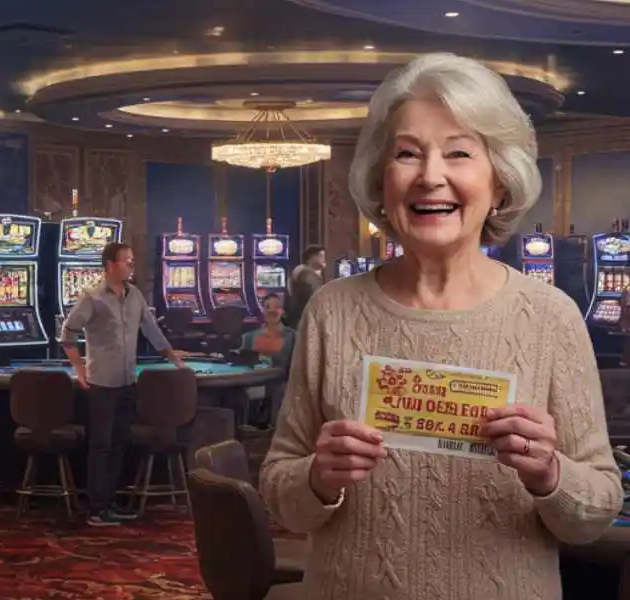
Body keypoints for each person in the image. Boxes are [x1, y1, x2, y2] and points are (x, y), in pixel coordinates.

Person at [260, 53, 622, 600]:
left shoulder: (549, 316)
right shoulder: (332, 310)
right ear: (381, 181)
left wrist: (550, 474)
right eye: (407, 153)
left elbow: (594, 512)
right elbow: (278, 489)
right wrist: (317, 477)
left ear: (499, 181)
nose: (431, 176)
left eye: (459, 152)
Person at [60, 241, 186, 526]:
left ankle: (110, 502)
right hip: (102, 382)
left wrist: (169, 353)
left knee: (119, 445)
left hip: (127, 380)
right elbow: (68, 334)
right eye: (126, 261)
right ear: (110, 265)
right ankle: (95, 509)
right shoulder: (92, 297)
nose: (132, 265)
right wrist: (79, 368)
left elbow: (150, 327)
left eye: (132, 260)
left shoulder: (135, 295)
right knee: (101, 446)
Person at [240, 293, 296, 427]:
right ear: (263, 311)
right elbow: (240, 361)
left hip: (279, 384)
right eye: (267, 307)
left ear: (282, 311)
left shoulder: (293, 336)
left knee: (280, 390)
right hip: (252, 382)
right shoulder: (248, 337)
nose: (272, 311)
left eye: (276, 307)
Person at [284, 245, 325, 328]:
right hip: (304, 320)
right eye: (321, 256)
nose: (324, 259)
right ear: (312, 257)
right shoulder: (307, 274)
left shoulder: (303, 272)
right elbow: (315, 298)